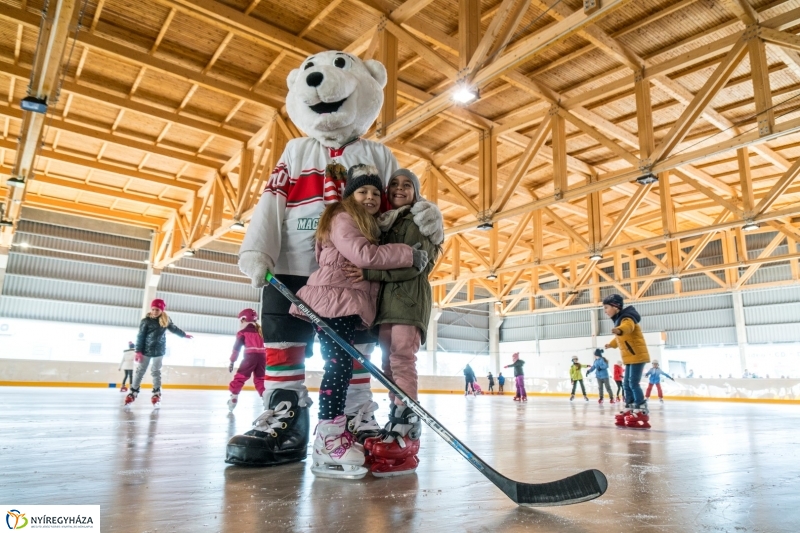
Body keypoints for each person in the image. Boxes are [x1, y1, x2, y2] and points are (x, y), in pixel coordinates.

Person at [288, 164, 427, 480]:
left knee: (340, 367)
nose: (371, 197)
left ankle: (337, 431)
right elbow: (363, 255)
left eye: (376, 193)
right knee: (337, 366)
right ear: (350, 194)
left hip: (346, 304)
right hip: (332, 301)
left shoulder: (369, 223)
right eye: (363, 191)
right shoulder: (343, 217)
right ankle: (327, 436)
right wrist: (408, 254)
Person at [342, 168, 439, 477]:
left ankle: (407, 422)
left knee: (401, 359)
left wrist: (371, 273)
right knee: (388, 365)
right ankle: (396, 416)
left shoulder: (417, 222)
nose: (399, 188)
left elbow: (412, 265)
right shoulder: (387, 222)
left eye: (406, 185)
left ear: (416, 192)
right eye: (394, 184)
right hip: (388, 305)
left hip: (408, 302)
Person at [124, 299, 192, 408]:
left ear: (162, 310)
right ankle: (133, 391)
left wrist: (184, 335)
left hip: (159, 351)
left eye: (157, 309)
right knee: (140, 371)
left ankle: (156, 392)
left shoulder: (165, 320)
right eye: (153, 309)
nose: (155, 311)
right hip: (146, 350)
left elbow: (174, 329)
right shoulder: (145, 321)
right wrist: (138, 351)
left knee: (155, 371)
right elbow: (140, 336)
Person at [603, 294, 652, 429]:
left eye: (606, 307)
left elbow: (628, 327)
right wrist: (611, 344)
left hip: (637, 356)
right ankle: (630, 406)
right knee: (626, 383)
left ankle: (641, 408)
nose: (605, 311)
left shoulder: (626, 318)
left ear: (615, 307)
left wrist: (619, 330)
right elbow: (620, 338)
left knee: (633, 382)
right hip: (630, 357)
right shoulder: (619, 320)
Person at [227, 309, 266, 412]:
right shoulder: (261, 331)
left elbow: (237, 348)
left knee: (240, 377)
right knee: (260, 379)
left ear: (244, 319)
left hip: (250, 357)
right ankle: (266, 399)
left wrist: (232, 361)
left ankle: (234, 398)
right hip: (262, 357)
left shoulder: (242, 332)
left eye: (241, 320)